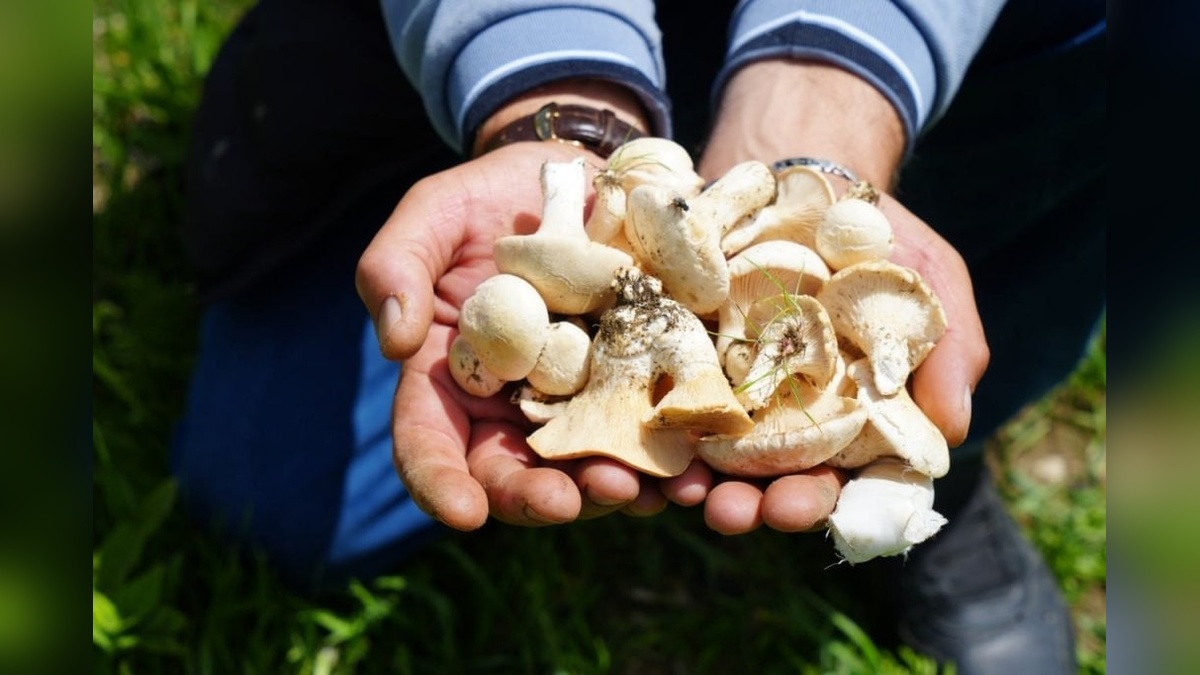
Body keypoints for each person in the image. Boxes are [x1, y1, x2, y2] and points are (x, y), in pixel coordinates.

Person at [172, 1, 1104, 672]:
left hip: (938, 46)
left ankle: (931, 462)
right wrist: (544, 92)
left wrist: (822, 83)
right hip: (487, 54)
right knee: (270, 494)